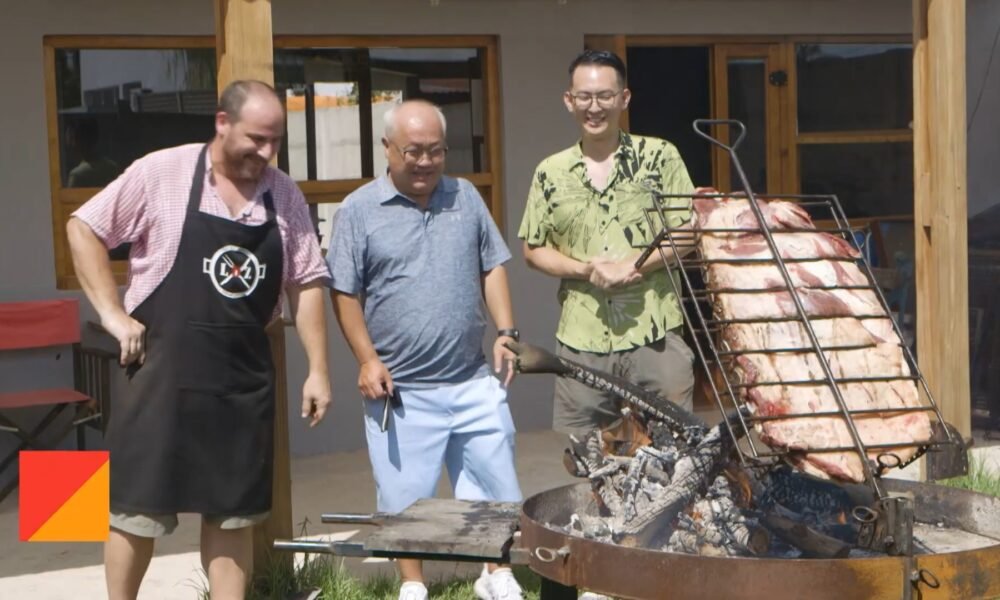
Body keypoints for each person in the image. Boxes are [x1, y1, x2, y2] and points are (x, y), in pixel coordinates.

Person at [67, 80, 332, 600]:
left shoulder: (283, 194)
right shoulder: (161, 172)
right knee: (135, 513)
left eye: (275, 140)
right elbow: (84, 228)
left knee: (234, 515)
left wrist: (318, 369)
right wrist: (112, 314)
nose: (266, 152)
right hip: (158, 376)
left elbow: (305, 281)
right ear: (222, 123)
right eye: (256, 139)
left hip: (241, 381)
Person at [326, 99, 523, 600]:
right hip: (401, 388)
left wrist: (506, 331)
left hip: (472, 377)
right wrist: (367, 359)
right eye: (413, 151)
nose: (425, 162)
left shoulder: (466, 196)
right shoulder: (358, 210)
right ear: (387, 149)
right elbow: (344, 292)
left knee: (495, 480)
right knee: (404, 497)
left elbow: (492, 265)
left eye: (436, 150)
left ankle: (495, 572)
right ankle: (412, 583)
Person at [518, 49, 698, 438]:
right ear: (569, 100)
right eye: (584, 96)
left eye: (604, 96)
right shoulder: (551, 171)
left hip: (655, 332)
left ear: (624, 98)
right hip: (581, 337)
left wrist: (633, 265)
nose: (594, 107)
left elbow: (688, 230)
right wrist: (586, 270)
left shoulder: (660, 157)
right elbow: (533, 250)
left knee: (675, 451)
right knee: (587, 456)